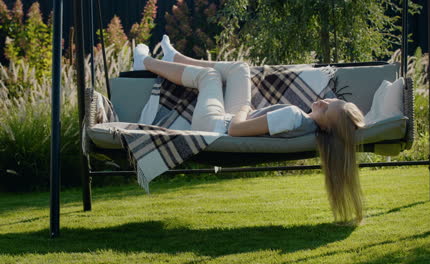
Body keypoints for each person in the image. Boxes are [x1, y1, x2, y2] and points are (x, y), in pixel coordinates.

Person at [133, 35, 366, 224]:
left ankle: (144, 62)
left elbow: (235, 130)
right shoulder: (305, 124)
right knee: (240, 69)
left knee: (209, 77)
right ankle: (175, 56)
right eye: (331, 101)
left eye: (326, 110)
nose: (324, 101)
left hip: (215, 125)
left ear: (326, 126)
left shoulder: (293, 116)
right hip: (229, 119)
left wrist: (245, 107)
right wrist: (249, 110)